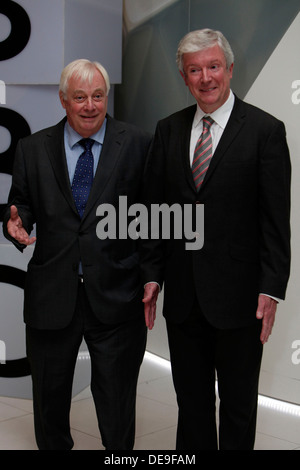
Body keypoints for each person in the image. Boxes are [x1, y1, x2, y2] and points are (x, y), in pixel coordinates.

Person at [142, 29, 291, 450]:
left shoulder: (265, 131)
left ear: (229, 69)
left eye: (212, 67)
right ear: (184, 77)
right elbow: (157, 214)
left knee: (239, 405)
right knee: (191, 405)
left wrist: (271, 289)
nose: (205, 77)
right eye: (195, 70)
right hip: (185, 299)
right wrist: (151, 276)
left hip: (242, 302)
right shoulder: (168, 131)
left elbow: (276, 221)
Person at [3, 59, 151, 450]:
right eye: (80, 97)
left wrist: (152, 276)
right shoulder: (32, 149)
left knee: (118, 404)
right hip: (52, 295)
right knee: (49, 404)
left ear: (107, 97)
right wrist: (14, 225)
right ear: (63, 100)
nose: (90, 106)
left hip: (118, 294)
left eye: (98, 96)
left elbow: (151, 217)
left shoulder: (137, 143)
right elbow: (22, 206)